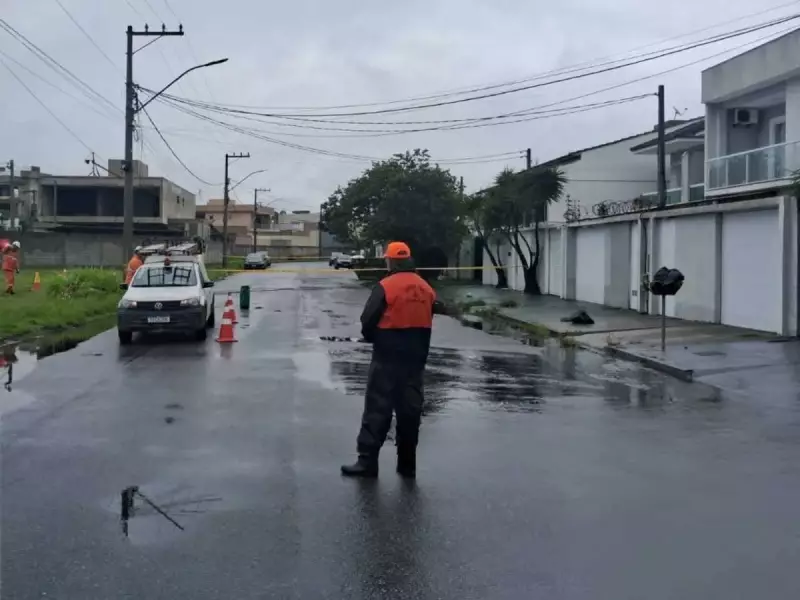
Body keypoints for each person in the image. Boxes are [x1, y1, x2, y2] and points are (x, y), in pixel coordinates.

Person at [341, 241, 444, 479]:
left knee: (378, 409)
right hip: (416, 358)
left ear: (390, 261)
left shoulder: (386, 286)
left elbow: (368, 319)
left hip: (387, 357)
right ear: (408, 259)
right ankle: (407, 465)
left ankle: (367, 463)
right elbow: (429, 315)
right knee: (410, 411)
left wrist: (373, 338)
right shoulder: (425, 288)